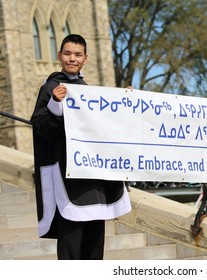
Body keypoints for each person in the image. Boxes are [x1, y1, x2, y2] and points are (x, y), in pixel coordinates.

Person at [30, 34, 132, 260]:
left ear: (85, 58)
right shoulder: (50, 88)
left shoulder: (90, 92)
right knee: (71, 245)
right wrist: (55, 104)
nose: (72, 59)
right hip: (70, 178)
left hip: (95, 179)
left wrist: (127, 102)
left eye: (77, 55)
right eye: (67, 54)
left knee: (94, 247)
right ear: (59, 56)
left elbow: (108, 125)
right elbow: (42, 128)